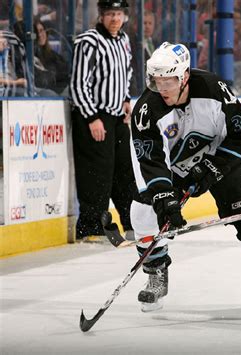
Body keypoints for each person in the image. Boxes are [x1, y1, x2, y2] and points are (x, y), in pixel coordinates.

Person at [129, 42, 241, 312]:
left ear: (184, 76)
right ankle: (157, 272)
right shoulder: (146, 111)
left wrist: (213, 167)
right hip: (178, 169)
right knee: (143, 211)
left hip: (224, 159)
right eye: (156, 81)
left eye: (169, 81)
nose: (162, 89)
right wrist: (164, 197)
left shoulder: (214, 90)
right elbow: (151, 160)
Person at [69, 0, 135, 242]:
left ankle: (131, 222)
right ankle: (90, 228)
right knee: (97, 173)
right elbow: (78, 83)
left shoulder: (123, 40)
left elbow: (126, 71)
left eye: (118, 14)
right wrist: (92, 117)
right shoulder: (88, 41)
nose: (115, 19)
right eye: (110, 14)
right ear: (101, 15)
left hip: (118, 116)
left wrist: (126, 98)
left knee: (125, 171)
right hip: (95, 117)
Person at [33, 19, 69, 95]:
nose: (39, 35)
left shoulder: (54, 56)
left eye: (41, 30)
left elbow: (65, 74)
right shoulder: (30, 57)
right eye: (36, 32)